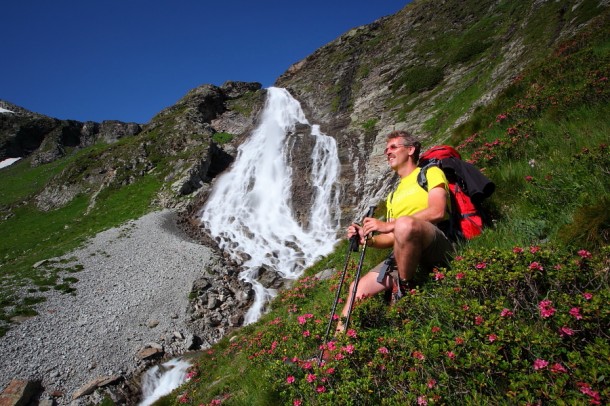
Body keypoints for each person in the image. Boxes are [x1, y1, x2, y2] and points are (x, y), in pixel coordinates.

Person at [336, 130, 454, 333]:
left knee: (405, 224)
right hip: (403, 247)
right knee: (356, 289)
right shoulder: (393, 195)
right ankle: (332, 353)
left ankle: (403, 290)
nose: (387, 153)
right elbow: (392, 237)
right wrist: (368, 240)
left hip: (435, 243)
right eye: (385, 149)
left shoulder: (430, 173)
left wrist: (390, 225)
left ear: (410, 150)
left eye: (393, 147)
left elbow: (438, 211)